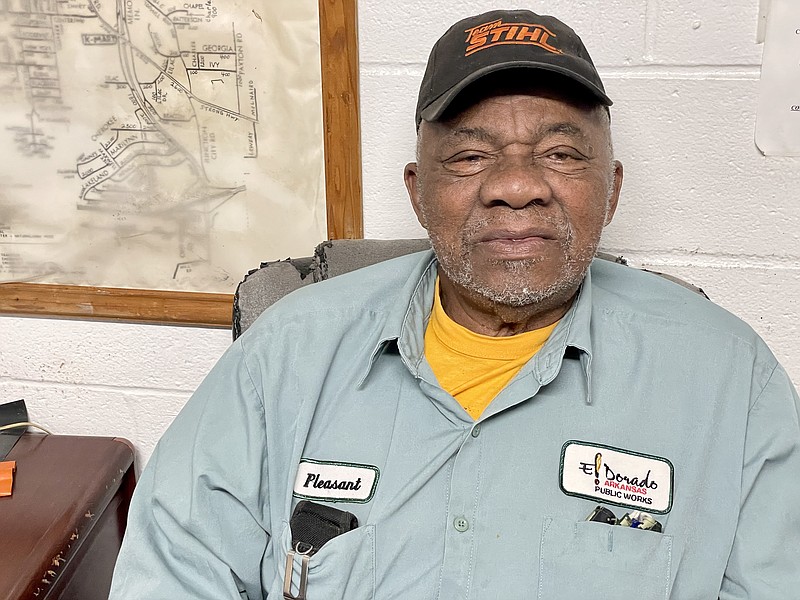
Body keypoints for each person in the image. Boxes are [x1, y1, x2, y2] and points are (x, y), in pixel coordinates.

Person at [110, 9, 800, 599]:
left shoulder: (731, 381)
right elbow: (172, 570)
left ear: (612, 189)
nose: (517, 185)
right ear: (417, 191)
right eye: (471, 156)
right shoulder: (285, 352)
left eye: (560, 153)